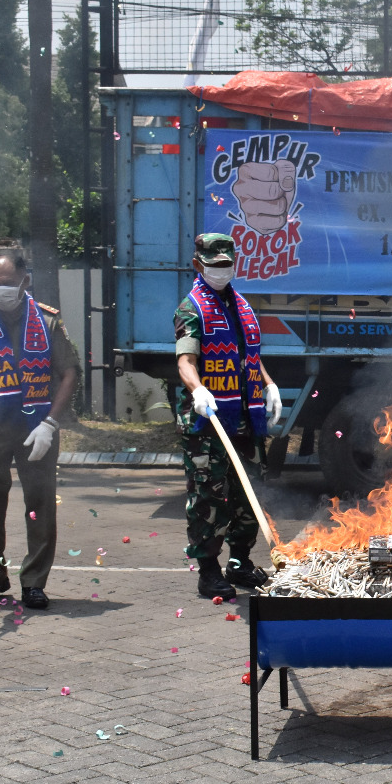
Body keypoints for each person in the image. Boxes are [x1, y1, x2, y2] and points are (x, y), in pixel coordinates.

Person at [0, 254, 79, 610]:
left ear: (25, 280)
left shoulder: (48, 321)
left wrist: (51, 423)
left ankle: (35, 582)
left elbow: (68, 372)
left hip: (36, 423)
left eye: (7, 282)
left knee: (39, 503)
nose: (0, 289)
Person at [175, 233, 283, 600]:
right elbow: (185, 360)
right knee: (209, 498)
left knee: (249, 494)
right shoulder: (191, 308)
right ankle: (208, 571)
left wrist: (268, 384)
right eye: (214, 265)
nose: (222, 271)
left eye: (227, 264)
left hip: (244, 420)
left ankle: (239, 562)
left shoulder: (240, 306)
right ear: (198, 265)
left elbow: (247, 355)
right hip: (209, 423)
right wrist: (198, 389)